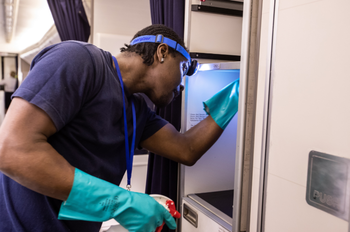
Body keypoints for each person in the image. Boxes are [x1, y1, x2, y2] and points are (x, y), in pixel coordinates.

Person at [0, 24, 239, 232]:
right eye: (184, 68)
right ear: (162, 52)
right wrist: (122, 203)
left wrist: (235, 97)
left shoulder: (138, 111)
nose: (182, 84)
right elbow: (12, 149)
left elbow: (187, 149)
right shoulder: (78, 59)